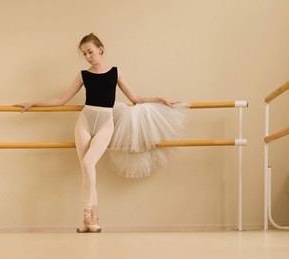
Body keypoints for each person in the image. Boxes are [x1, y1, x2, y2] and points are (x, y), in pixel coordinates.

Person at [14, 33, 184, 233]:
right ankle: (91, 220)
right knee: (87, 170)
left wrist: (160, 99)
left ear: (100, 49)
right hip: (85, 122)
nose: (88, 56)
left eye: (91, 52)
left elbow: (135, 97)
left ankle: (89, 216)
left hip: (105, 123)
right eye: (85, 54)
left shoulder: (116, 72)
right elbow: (61, 100)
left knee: (88, 164)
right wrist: (33, 102)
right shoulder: (83, 75)